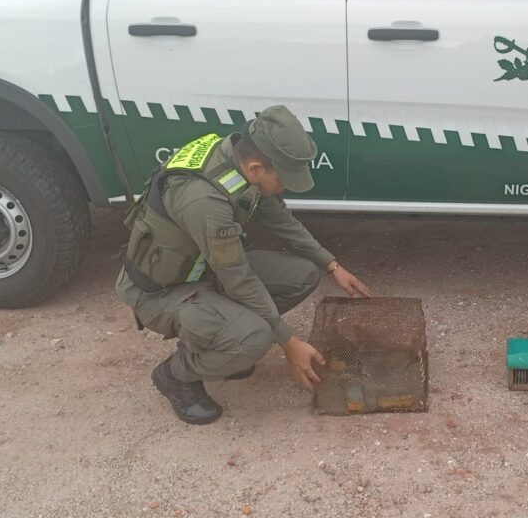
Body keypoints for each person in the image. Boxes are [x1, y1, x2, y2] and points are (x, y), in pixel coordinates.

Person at [115, 105, 372, 425]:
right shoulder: (205, 201)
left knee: (303, 276)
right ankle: (176, 374)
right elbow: (238, 278)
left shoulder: (238, 160)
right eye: (284, 179)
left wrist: (331, 265)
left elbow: (281, 220)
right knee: (255, 337)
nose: (286, 186)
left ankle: (226, 340)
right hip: (162, 291)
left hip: (203, 266)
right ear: (256, 168)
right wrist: (288, 342)